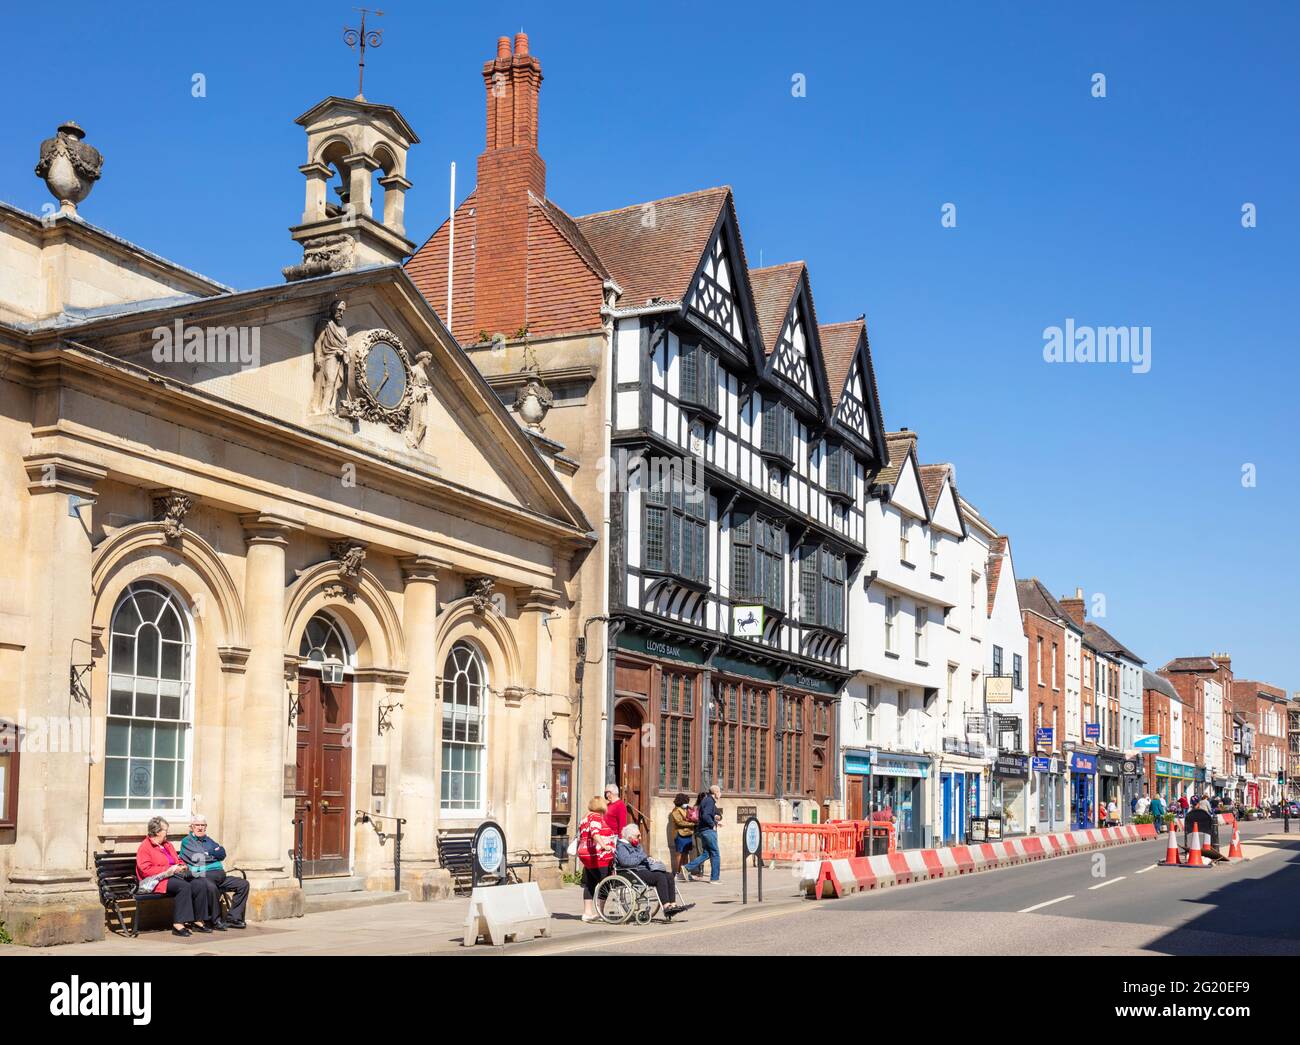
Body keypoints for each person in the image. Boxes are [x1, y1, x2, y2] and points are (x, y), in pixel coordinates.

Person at [135, 816, 219, 936]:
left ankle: (198, 921)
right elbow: (145, 870)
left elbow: (177, 859)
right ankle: (178, 924)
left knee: (199, 883)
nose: (167, 833)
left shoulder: (167, 845)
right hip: (157, 880)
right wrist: (170, 869)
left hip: (174, 875)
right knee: (183, 887)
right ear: (157, 832)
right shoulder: (145, 847)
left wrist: (182, 866)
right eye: (165, 830)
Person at [178, 815, 249, 929]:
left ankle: (233, 918)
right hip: (202, 875)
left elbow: (222, 853)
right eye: (197, 825)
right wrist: (213, 854)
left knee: (243, 884)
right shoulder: (187, 841)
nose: (200, 828)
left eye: (203, 825)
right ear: (191, 827)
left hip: (219, 876)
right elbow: (198, 858)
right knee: (211, 887)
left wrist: (208, 853)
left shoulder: (208, 839)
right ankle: (215, 920)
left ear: (206, 827)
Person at [615, 824, 693, 919]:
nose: (640, 838)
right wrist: (642, 857)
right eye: (638, 836)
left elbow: (642, 856)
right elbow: (626, 862)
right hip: (632, 871)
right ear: (630, 837)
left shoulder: (637, 846)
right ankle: (666, 906)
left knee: (668, 875)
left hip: (642, 869)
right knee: (659, 877)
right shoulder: (622, 847)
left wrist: (650, 860)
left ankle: (673, 905)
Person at [576, 796, 617, 923]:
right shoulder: (595, 817)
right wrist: (604, 845)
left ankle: (587, 913)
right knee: (606, 883)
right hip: (598, 854)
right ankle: (600, 911)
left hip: (585, 853)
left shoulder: (584, 818)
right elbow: (595, 833)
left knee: (590, 883)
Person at [684, 784, 722, 883]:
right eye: (719, 792)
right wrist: (712, 824)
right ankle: (714, 878)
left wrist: (716, 821)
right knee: (715, 854)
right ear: (716, 792)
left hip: (703, 830)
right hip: (708, 831)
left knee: (707, 853)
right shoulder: (710, 801)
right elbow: (705, 815)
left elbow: (707, 814)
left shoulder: (706, 800)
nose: (720, 794)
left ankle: (687, 868)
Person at [668, 792, 696, 881]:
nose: (686, 804)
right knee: (679, 854)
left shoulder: (687, 809)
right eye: (685, 802)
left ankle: (686, 871)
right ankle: (677, 872)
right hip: (680, 834)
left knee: (686, 854)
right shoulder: (675, 811)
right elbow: (679, 822)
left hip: (688, 834)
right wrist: (693, 824)